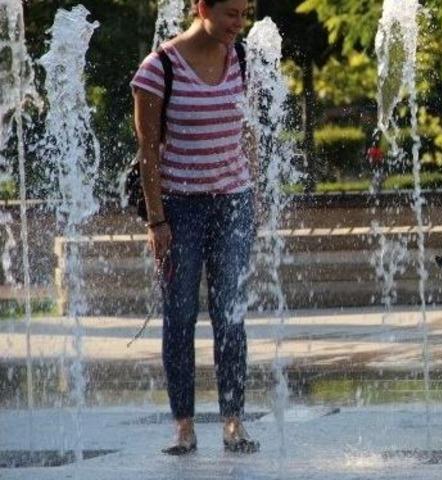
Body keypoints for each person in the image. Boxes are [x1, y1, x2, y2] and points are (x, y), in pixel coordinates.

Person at [130, 0, 259, 455]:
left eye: (244, 13)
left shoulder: (242, 58)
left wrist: (252, 192)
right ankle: (184, 425)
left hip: (233, 205)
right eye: (230, 13)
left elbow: (247, 131)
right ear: (202, 7)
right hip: (179, 210)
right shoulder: (157, 68)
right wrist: (157, 219)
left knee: (231, 316)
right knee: (181, 315)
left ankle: (233, 421)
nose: (239, 23)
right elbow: (148, 151)